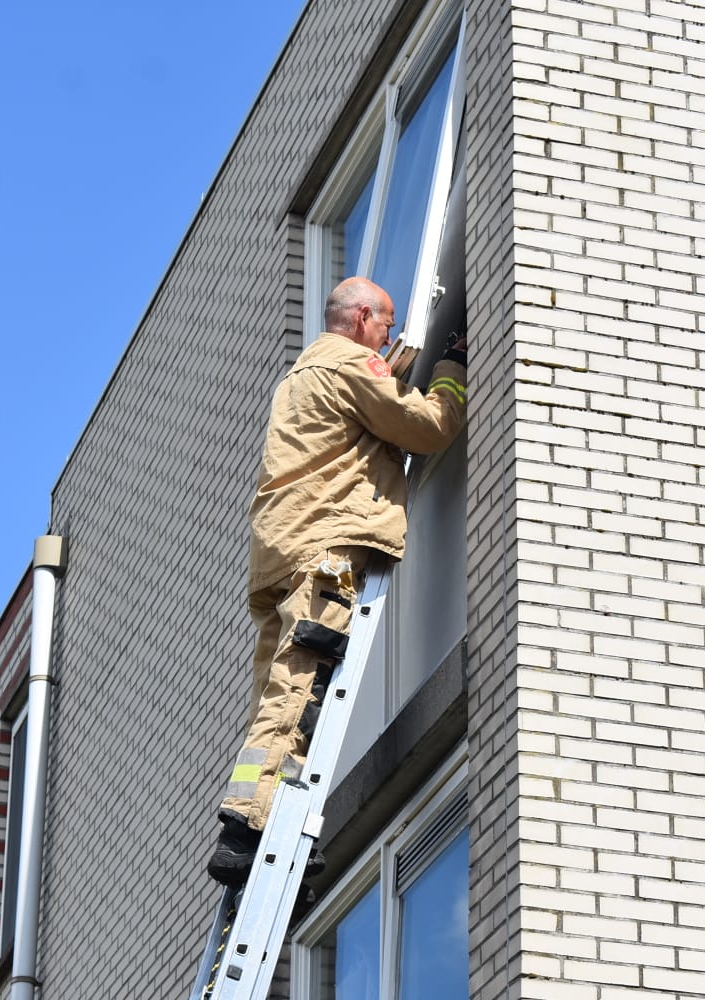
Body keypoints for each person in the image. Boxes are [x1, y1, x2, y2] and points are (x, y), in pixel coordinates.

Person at [206, 275, 469, 886]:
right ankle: (251, 824)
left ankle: (254, 816)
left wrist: (391, 371)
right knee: (301, 690)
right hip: (324, 548)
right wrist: (451, 371)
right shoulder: (352, 364)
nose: (391, 334)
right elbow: (426, 427)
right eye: (386, 321)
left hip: (280, 552)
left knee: (275, 700)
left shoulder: (301, 375)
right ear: (357, 319)